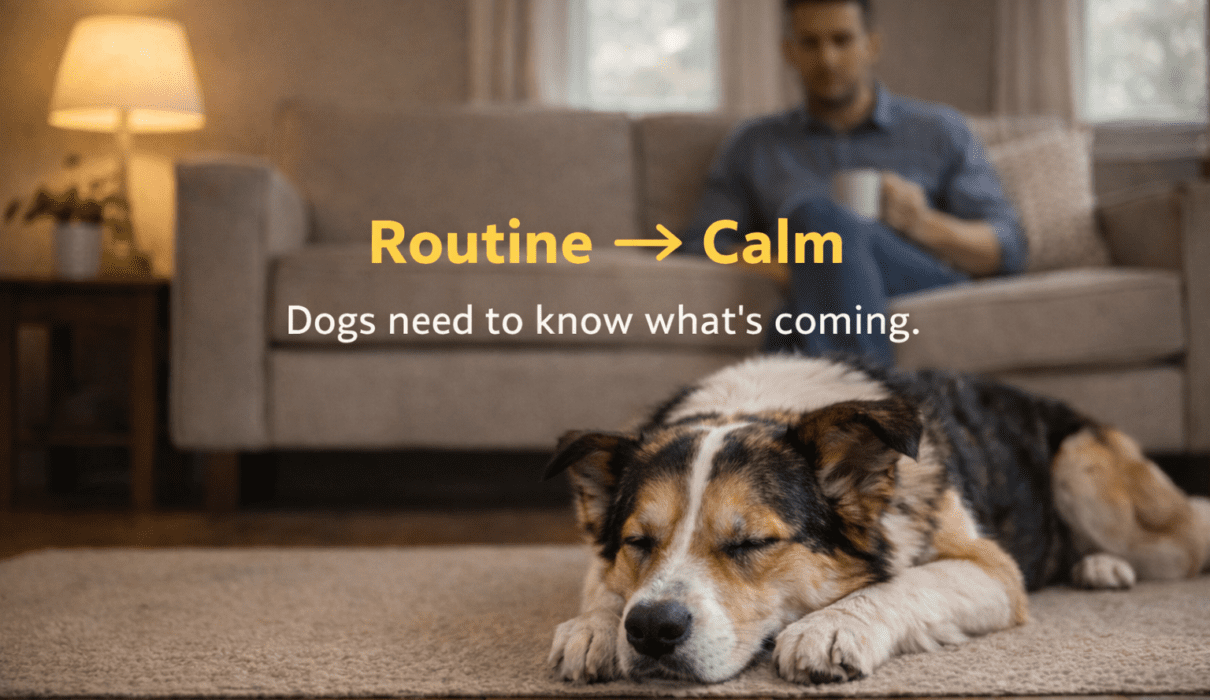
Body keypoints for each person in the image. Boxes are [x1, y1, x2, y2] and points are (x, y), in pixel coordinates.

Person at [682, 0, 1026, 365]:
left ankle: (841, 389)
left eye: (841, 40)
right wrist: (805, 264)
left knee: (815, 219)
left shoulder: (938, 130)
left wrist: (922, 223)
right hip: (813, 285)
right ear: (789, 52)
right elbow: (703, 244)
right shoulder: (755, 144)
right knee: (805, 287)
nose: (827, 59)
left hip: (920, 277)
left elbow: (1007, 248)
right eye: (810, 43)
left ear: (871, 45)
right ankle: (862, 396)